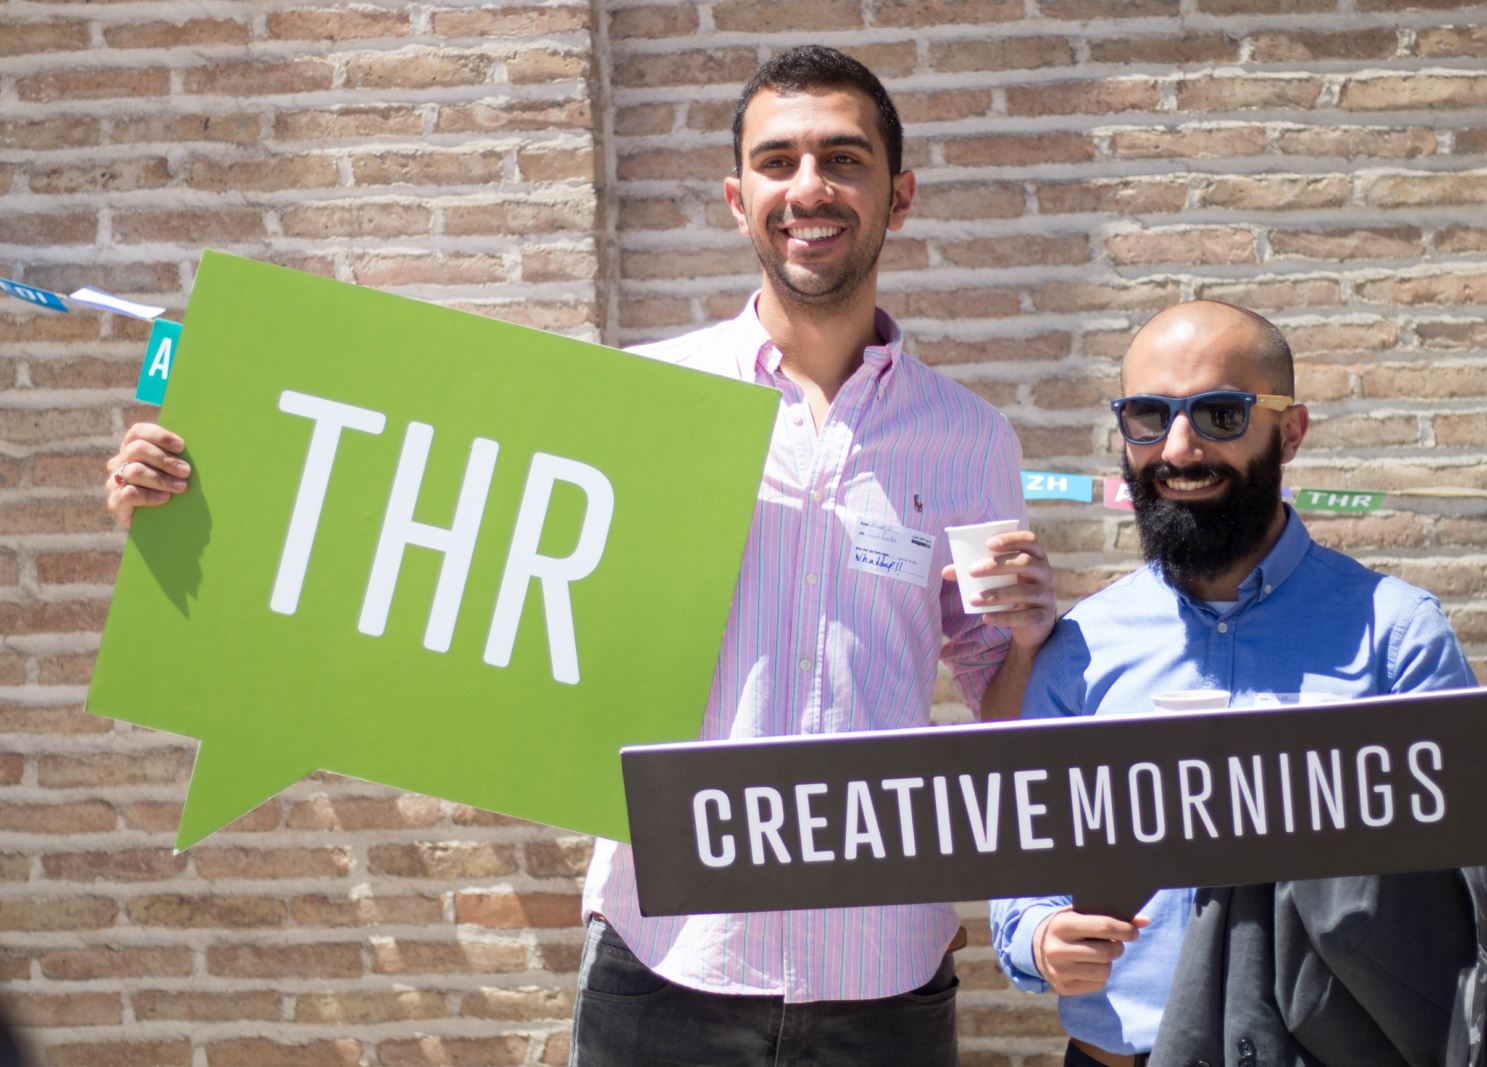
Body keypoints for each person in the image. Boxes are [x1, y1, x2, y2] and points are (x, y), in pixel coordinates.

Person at [103, 47, 1059, 1067]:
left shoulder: (971, 440)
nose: (809, 187)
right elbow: (428, 545)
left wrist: (1029, 639)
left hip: (884, 974)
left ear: (898, 194)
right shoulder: (640, 405)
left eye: (844, 158)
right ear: (737, 198)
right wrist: (201, 502)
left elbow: (1000, 707)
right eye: (777, 162)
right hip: (664, 959)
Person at [990, 300, 1487, 1067]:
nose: (1178, 447)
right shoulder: (1080, 649)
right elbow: (1020, 868)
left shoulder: (1398, 636)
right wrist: (1041, 939)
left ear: (1289, 431)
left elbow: (1462, 909)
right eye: (1148, 415)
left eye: (1221, 414)